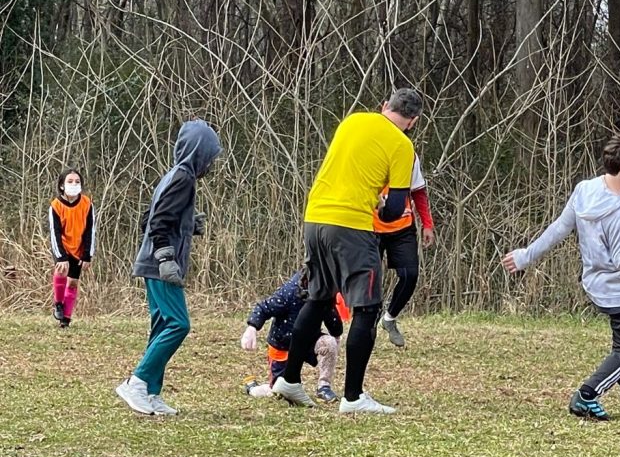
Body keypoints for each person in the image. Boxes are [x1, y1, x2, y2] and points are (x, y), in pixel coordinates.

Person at [502, 134, 620, 421]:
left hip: (595, 283)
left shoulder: (585, 189)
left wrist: (526, 255)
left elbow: (559, 227)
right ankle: (586, 396)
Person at [272, 89, 419, 414]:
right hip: (351, 226)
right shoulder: (402, 145)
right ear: (413, 122)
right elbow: (396, 210)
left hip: (315, 217)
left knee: (319, 298)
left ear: (384, 106)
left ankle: (289, 379)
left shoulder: (351, 121)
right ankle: (353, 397)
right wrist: (381, 206)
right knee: (367, 308)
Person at [115, 120, 222, 416]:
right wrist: (165, 258)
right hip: (160, 266)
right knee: (178, 324)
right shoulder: (183, 178)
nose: (211, 164)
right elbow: (158, 222)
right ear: (198, 152)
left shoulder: (173, 175)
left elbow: (148, 218)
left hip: (153, 263)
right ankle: (136, 383)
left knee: (162, 325)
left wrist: (188, 225)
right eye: (210, 156)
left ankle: (151, 393)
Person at [241, 268, 345, 402]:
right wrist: (252, 328)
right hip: (282, 345)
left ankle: (324, 387)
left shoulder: (325, 291)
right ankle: (253, 389)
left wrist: (336, 336)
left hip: (308, 340)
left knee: (328, 343)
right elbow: (264, 308)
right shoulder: (289, 292)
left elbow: (330, 314)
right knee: (279, 392)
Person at [374, 154, 436, 347]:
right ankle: (368, 322)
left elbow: (418, 191)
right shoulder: (369, 149)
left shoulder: (408, 154)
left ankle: (389, 318)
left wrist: (427, 224)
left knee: (410, 274)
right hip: (371, 227)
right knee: (369, 279)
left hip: (403, 227)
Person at [48, 169, 95, 328]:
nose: (74, 184)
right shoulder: (55, 206)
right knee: (61, 271)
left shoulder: (87, 204)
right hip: (62, 247)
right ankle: (58, 304)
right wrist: (60, 257)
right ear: (62, 185)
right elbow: (54, 233)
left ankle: (66, 319)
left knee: (73, 282)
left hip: (79, 248)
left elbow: (90, 230)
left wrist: (87, 254)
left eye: (77, 181)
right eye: (70, 181)